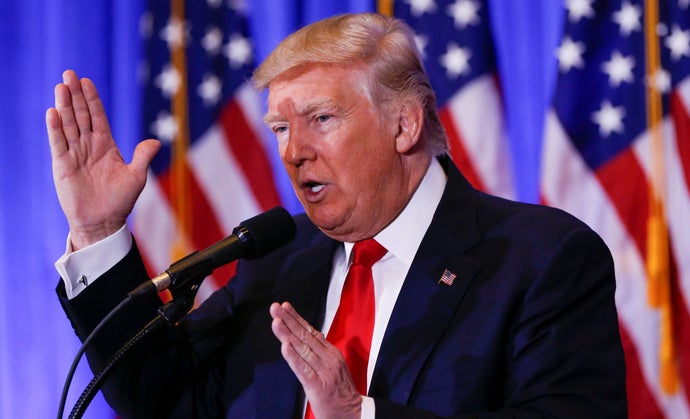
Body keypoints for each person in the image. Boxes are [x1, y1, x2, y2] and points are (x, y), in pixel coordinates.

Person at [47, 12, 627, 419]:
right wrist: (98, 232)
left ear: (404, 124)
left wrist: (360, 416)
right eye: (280, 127)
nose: (293, 151)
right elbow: (169, 399)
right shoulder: (276, 258)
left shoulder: (540, 257)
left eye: (321, 119)